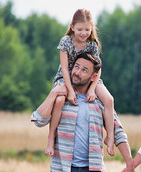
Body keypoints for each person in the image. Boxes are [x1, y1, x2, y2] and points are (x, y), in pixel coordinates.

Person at [46, 8, 115, 157]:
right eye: (80, 30)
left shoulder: (92, 45)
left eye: (87, 30)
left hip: (89, 78)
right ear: (72, 27)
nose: (84, 33)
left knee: (109, 100)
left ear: (92, 28)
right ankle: (51, 138)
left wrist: (92, 89)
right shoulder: (66, 41)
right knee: (59, 101)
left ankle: (110, 137)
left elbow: (99, 68)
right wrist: (70, 90)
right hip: (66, 77)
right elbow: (64, 68)